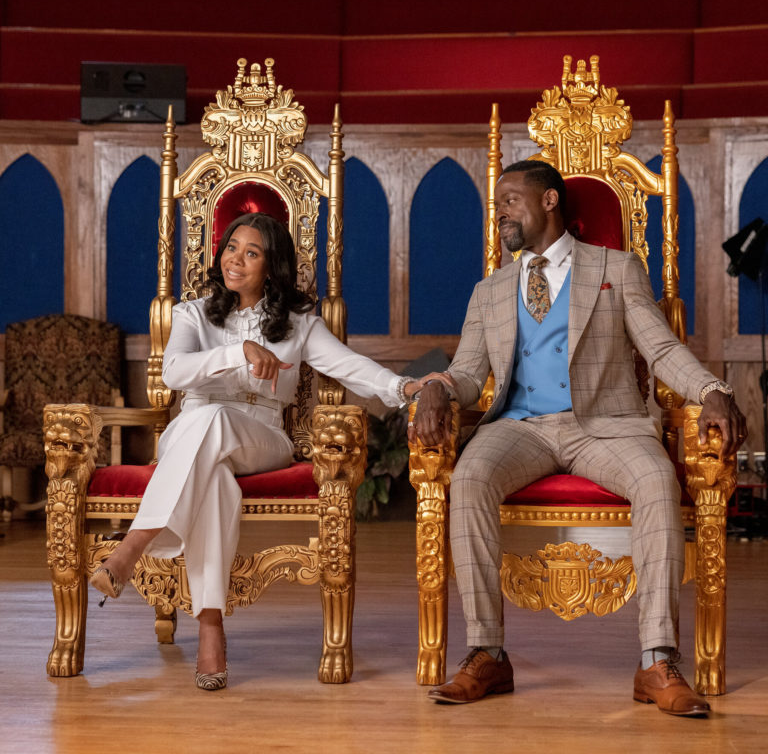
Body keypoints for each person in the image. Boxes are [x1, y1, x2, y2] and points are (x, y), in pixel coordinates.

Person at [410, 161, 746, 716]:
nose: (500, 214)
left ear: (549, 201)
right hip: (521, 428)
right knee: (468, 477)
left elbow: (661, 348)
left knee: (657, 479)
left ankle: (656, 661)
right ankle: (488, 653)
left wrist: (711, 389)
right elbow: (468, 374)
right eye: (497, 205)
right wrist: (436, 388)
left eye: (510, 201)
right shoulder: (490, 290)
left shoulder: (616, 267)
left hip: (606, 426)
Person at [90, 212, 428, 691]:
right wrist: (239, 351)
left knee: (214, 420)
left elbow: (351, 366)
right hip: (191, 432)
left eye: (252, 253)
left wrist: (404, 387)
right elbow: (174, 373)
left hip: (262, 437)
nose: (236, 259)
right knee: (215, 481)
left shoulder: (298, 324)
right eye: (231, 247)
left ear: (272, 266)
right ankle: (210, 626)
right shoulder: (192, 313)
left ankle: (132, 546)